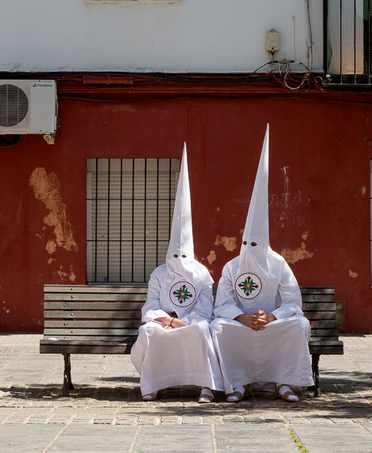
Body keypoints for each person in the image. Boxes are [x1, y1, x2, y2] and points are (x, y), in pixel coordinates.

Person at [211, 125, 314, 402]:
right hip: (241, 324)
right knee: (218, 327)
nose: (250, 251)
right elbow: (222, 304)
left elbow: (293, 303)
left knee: (299, 325)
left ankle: (284, 383)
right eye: (247, 245)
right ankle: (238, 384)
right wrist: (243, 318)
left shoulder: (279, 263)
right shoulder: (232, 267)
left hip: (271, 323)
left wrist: (271, 317)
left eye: (256, 245)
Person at [131, 144, 223, 403]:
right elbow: (149, 306)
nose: (179, 262)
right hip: (164, 324)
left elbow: (205, 309)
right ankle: (154, 384)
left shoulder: (202, 274)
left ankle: (206, 385)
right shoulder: (159, 274)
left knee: (204, 330)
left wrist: (186, 321)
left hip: (192, 323)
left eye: (184, 256)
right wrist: (169, 321)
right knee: (148, 332)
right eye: (175, 256)